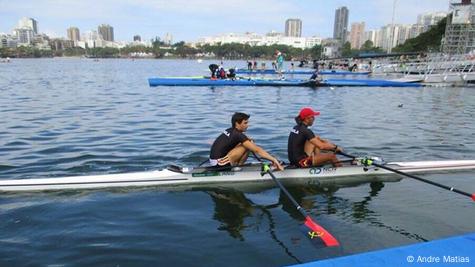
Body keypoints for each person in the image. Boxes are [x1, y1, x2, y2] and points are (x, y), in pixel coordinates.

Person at [210, 112, 284, 171]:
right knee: (249, 145)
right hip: (219, 164)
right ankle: (237, 168)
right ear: (237, 123)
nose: (247, 125)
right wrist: (273, 159)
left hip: (214, 161)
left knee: (247, 142)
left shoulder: (230, 130)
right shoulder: (238, 135)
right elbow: (257, 150)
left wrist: (247, 140)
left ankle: (235, 165)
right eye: (245, 123)